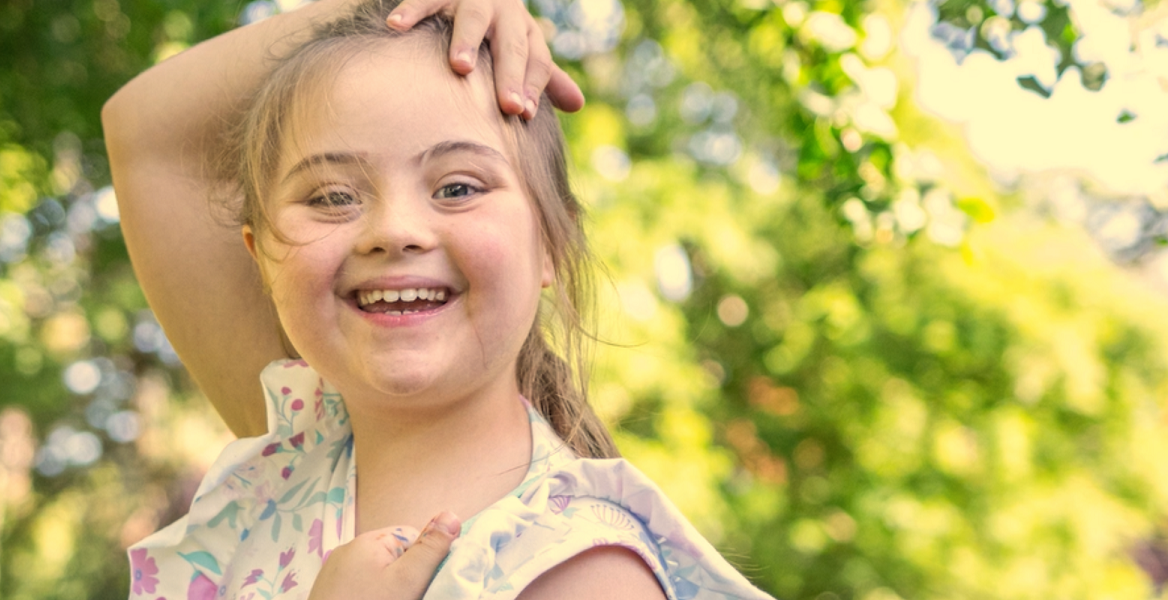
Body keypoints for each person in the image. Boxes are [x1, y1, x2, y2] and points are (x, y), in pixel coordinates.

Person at [102, 0, 774, 598]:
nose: (393, 230)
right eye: (332, 195)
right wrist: (397, 6)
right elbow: (143, 127)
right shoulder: (293, 461)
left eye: (457, 187)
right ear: (261, 257)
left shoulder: (580, 571)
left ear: (551, 243)